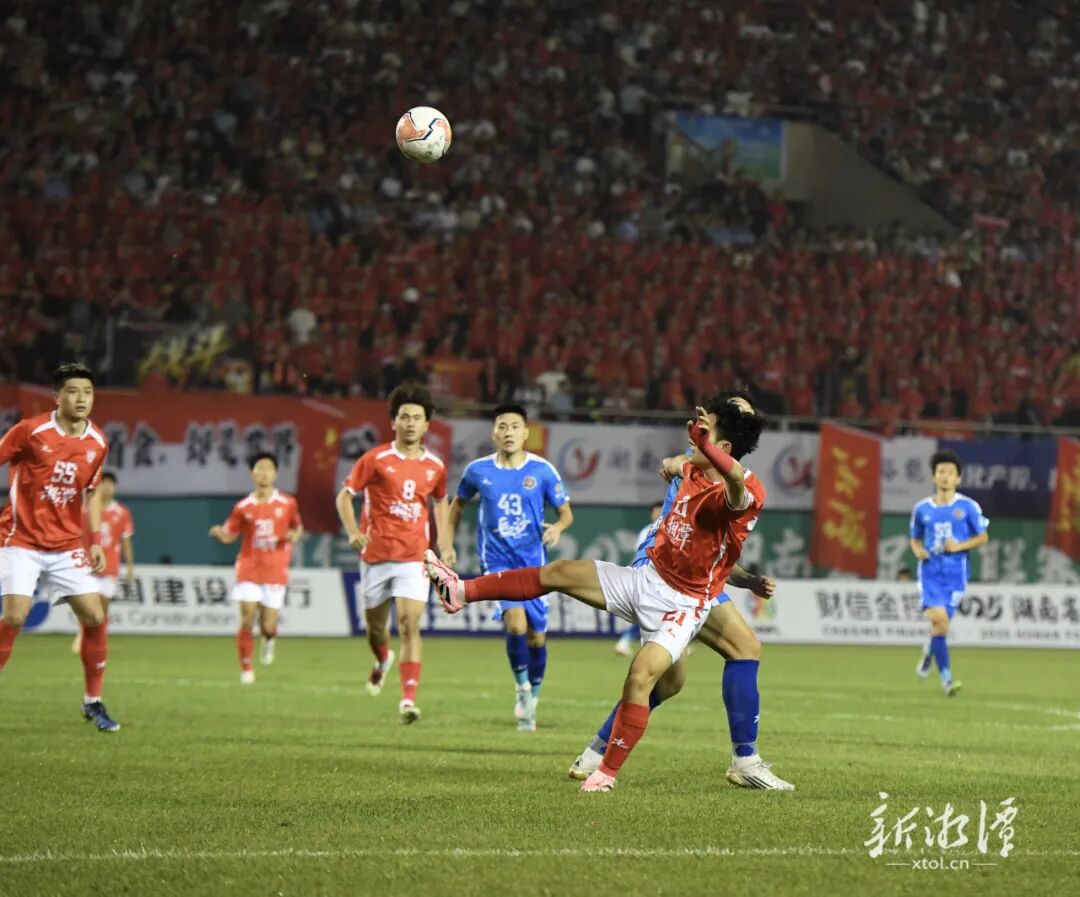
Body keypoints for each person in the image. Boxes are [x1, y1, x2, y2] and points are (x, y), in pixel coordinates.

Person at [426, 392, 765, 791]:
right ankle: (459, 591)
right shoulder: (692, 466)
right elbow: (678, 463)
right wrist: (679, 459)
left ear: (723, 446)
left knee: (649, 678)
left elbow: (734, 481)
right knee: (559, 572)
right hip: (646, 577)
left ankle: (603, 772)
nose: (695, 436)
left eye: (707, 432)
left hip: (683, 602)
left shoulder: (743, 491)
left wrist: (698, 451)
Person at [572, 435, 792, 790]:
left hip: (683, 573)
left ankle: (596, 752)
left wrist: (749, 581)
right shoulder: (704, 471)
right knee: (745, 647)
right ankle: (746, 760)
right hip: (670, 574)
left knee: (671, 683)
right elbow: (697, 534)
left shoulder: (700, 468)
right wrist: (676, 463)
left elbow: (714, 552)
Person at [0, 363, 119, 732]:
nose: (81, 398)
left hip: (66, 545)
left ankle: (92, 701)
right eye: (72, 391)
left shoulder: (97, 442)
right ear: (57, 397)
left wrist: (94, 540)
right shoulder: (30, 431)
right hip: (21, 539)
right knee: (15, 617)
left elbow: (91, 493)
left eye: (87, 392)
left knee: (95, 616)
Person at [448, 403, 573, 732]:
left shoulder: (543, 470)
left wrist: (557, 528)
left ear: (525, 433)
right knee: (515, 623)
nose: (508, 432)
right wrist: (446, 545)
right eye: (502, 426)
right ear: (494, 432)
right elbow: (456, 505)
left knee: (537, 635)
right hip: (497, 561)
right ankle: (521, 688)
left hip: (534, 564)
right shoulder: (477, 470)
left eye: (515, 426)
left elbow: (566, 513)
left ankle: (533, 698)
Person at [335, 382, 453, 724]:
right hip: (375, 556)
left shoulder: (435, 466)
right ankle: (382, 658)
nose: (410, 423)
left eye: (417, 418)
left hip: (414, 556)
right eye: (404, 417)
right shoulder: (375, 460)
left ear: (426, 424)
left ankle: (408, 700)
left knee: (408, 623)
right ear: (393, 422)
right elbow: (344, 497)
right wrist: (353, 532)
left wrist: (445, 544)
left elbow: (440, 501)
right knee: (376, 630)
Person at [210, 453, 303, 684]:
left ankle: (269, 639)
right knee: (247, 617)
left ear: (275, 474)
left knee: (268, 626)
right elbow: (230, 534)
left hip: (275, 569)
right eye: (259, 468)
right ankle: (246, 668)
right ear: (252, 473)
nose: (264, 473)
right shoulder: (243, 507)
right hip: (249, 568)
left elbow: (297, 527)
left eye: (269, 469)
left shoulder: (287, 503)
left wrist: (293, 535)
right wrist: (219, 534)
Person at [909, 449, 989, 697]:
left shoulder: (968, 507)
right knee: (939, 620)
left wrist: (959, 546)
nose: (945, 476)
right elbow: (914, 538)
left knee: (941, 627)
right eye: (941, 472)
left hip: (956, 574)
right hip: (930, 573)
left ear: (958, 478)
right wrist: (918, 551)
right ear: (933, 477)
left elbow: (983, 537)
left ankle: (929, 650)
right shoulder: (922, 509)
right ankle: (947, 679)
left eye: (950, 473)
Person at [72, 471, 134, 654]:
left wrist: (130, 565)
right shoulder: (84, 510)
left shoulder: (122, 512)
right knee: (89, 604)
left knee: (103, 605)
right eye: (103, 483)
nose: (107, 487)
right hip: (86, 565)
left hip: (110, 565)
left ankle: (98, 636)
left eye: (111, 483)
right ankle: (83, 634)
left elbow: (126, 540)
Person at [614, 501, 663, 656]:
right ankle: (625, 641)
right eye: (655, 511)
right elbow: (641, 555)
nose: (658, 514)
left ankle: (674, 644)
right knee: (649, 614)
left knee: (657, 615)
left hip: (662, 579)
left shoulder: (671, 529)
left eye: (661, 511)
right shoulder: (647, 531)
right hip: (649, 578)